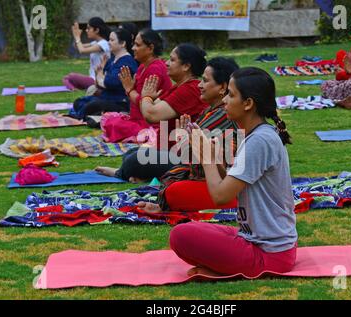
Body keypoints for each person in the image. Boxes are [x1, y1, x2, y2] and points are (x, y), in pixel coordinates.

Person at [163, 67, 297, 277]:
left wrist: (205, 154)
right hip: (255, 240)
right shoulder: (255, 135)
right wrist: (214, 158)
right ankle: (223, 267)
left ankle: (228, 269)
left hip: (269, 253)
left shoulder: (260, 140)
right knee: (195, 230)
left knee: (180, 235)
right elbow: (232, 185)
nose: (224, 100)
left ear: (248, 104)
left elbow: (220, 196)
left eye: (231, 95)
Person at [95, 43, 209, 182]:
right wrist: (135, 92)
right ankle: (141, 175)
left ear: (186, 66)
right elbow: (148, 107)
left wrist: (143, 95)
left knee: (134, 160)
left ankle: (122, 173)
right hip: (167, 151)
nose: (166, 63)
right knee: (132, 153)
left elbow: (150, 114)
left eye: (172, 60)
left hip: (181, 157)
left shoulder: (189, 89)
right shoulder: (178, 87)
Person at [144, 57, 242, 212]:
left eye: (205, 81)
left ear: (222, 87)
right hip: (213, 179)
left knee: (173, 191)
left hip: (225, 185)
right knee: (171, 178)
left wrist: (146, 97)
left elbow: (151, 114)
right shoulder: (210, 111)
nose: (199, 85)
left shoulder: (223, 113)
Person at [101, 28, 172, 143]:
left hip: (151, 122)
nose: (133, 48)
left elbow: (144, 103)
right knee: (110, 121)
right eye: (134, 44)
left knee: (114, 125)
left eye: (137, 45)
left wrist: (129, 89)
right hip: (138, 118)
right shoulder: (143, 66)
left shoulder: (155, 69)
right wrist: (130, 88)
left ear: (150, 48)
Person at [69, 28, 138, 120]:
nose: (109, 42)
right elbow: (100, 85)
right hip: (106, 98)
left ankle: (91, 116)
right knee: (79, 102)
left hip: (119, 102)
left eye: (112, 40)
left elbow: (110, 83)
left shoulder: (126, 62)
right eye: (109, 39)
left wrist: (101, 75)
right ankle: (93, 115)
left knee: (92, 105)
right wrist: (99, 74)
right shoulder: (111, 60)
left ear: (123, 43)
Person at [63, 17, 111, 91]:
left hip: (99, 79)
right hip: (93, 78)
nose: (86, 30)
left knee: (70, 77)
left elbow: (82, 50)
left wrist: (77, 37)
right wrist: (75, 35)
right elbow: (77, 46)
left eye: (89, 28)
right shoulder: (96, 43)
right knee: (66, 78)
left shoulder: (103, 44)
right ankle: (77, 88)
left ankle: (77, 88)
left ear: (97, 30)